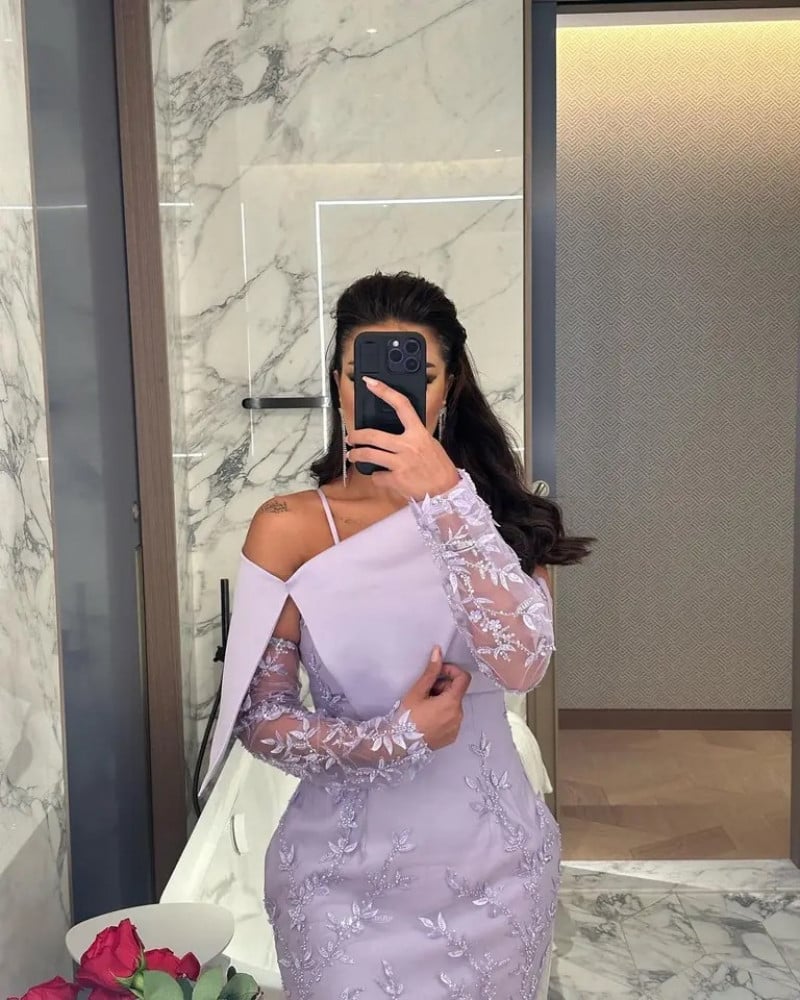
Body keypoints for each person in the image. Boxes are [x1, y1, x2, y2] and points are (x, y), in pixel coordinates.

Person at [203, 272, 592, 999]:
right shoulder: (289, 525)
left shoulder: (508, 520)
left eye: (418, 376)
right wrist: (396, 737)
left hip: (497, 875)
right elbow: (260, 718)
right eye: (363, 375)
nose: (384, 395)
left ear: (451, 387)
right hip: (338, 882)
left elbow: (521, 665)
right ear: (338, 383)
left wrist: (447, 499)